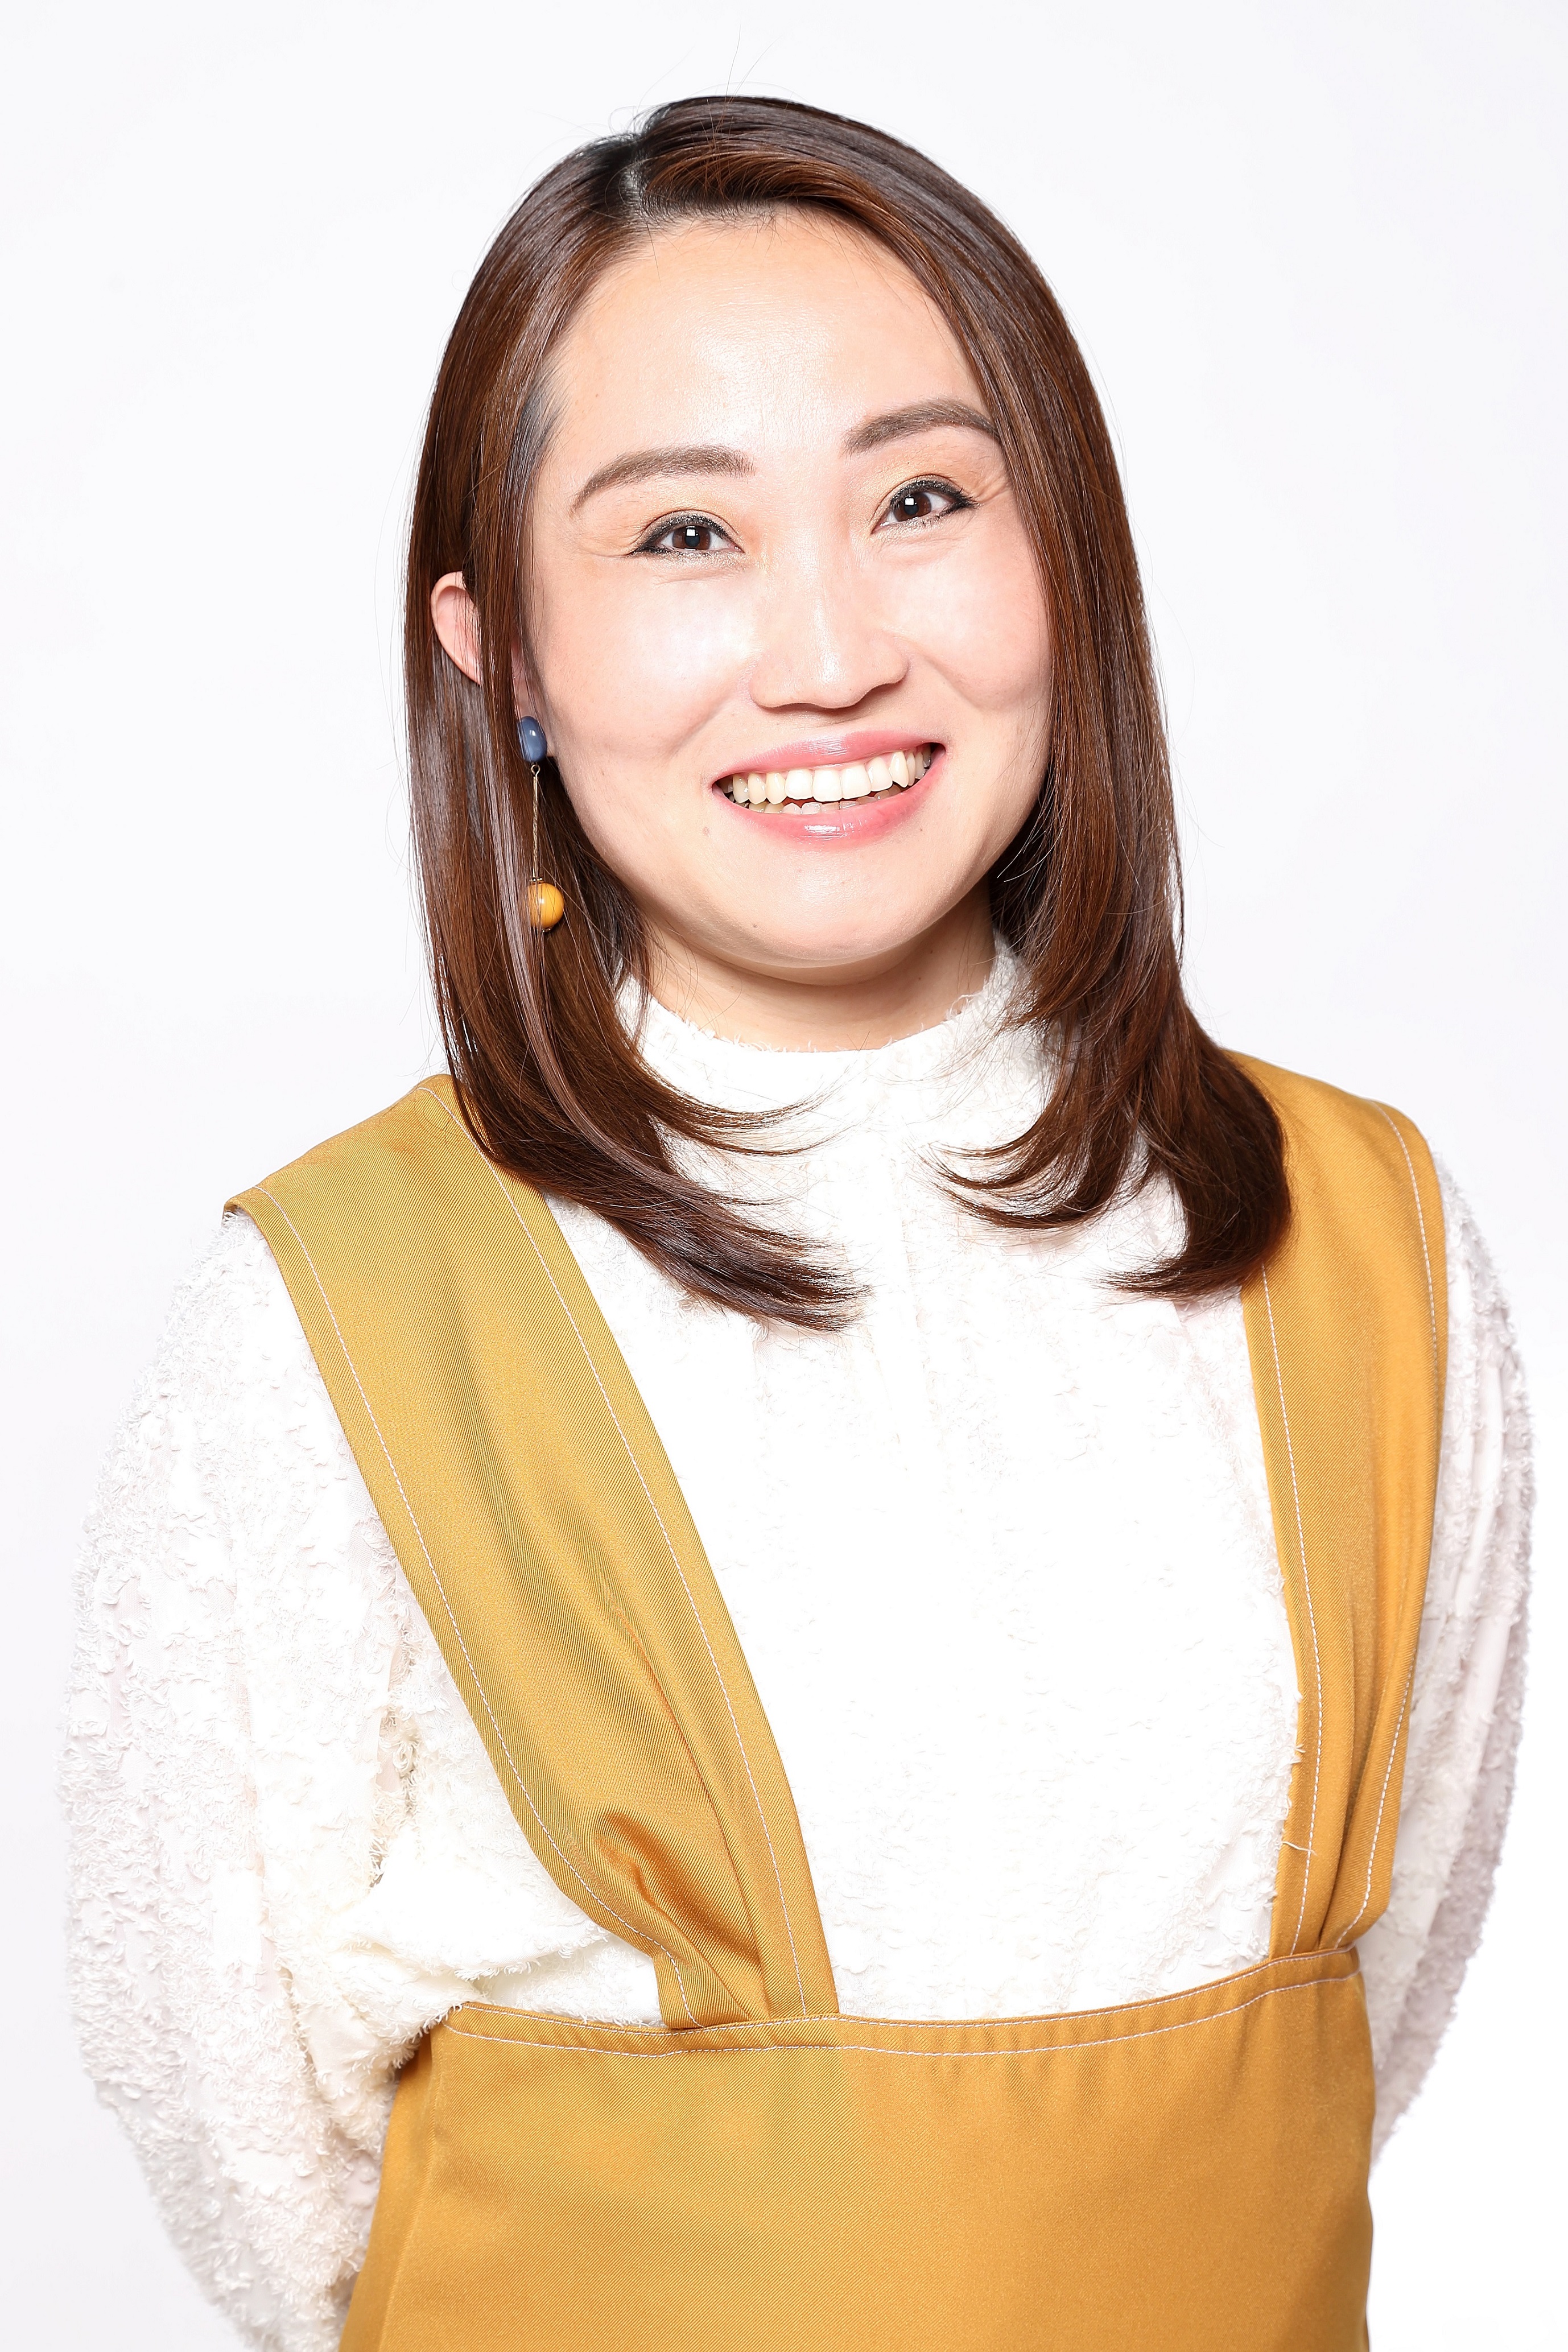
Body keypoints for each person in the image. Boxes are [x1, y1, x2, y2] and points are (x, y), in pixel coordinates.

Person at [65, 96, 1529, 2352]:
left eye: (920, 501)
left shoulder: (1362, 1241)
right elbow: (248, 2133)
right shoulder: (340, 1309)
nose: (829, 651)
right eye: (684, 535)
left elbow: (1345, 2021)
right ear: (501, 650)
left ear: (1065, 552)